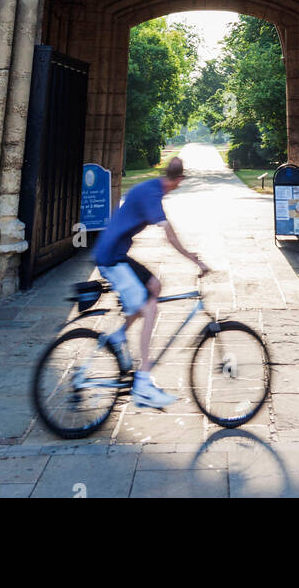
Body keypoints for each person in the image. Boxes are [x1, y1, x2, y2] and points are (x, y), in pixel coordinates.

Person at [92, 155, 207, 408]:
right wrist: (194, 259)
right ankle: (143, 383)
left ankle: (118, 336)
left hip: (117, 253)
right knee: (149, 308)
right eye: (180, 182)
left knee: (154, 285)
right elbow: (169, 234)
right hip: (111, 258)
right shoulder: (151, 194)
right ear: (179, 180)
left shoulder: (153, 188)